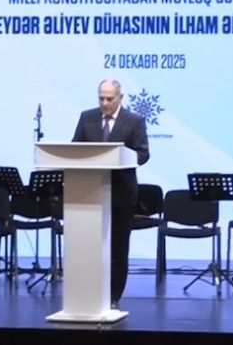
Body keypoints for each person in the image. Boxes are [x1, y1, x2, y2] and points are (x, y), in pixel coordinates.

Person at [73, 79, 150, 307]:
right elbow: (75, 147)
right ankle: (90, 293)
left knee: (118, 246)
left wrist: (121, 158)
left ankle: (114, 296)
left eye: (109, 99)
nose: (105, 103)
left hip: (121, 193)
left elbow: (143, 153)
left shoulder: (134, 121)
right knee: (90, 246)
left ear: (120, 98)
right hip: (89, 192)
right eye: (101, 98)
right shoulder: (87, 118)